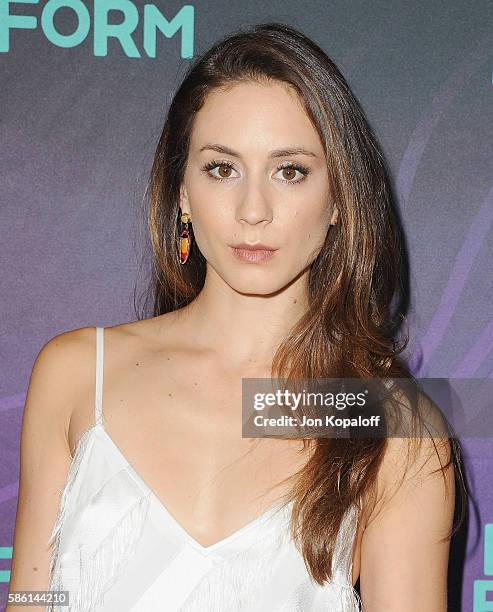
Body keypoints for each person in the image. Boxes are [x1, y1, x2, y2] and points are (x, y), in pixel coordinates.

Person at [8, 22, 466, 612]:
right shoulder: (77, 373)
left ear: (338, 202)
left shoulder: (389, 427)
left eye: (290, 170)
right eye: (222, 168)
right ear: (180, 191)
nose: (253, 210)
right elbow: (30, 597)